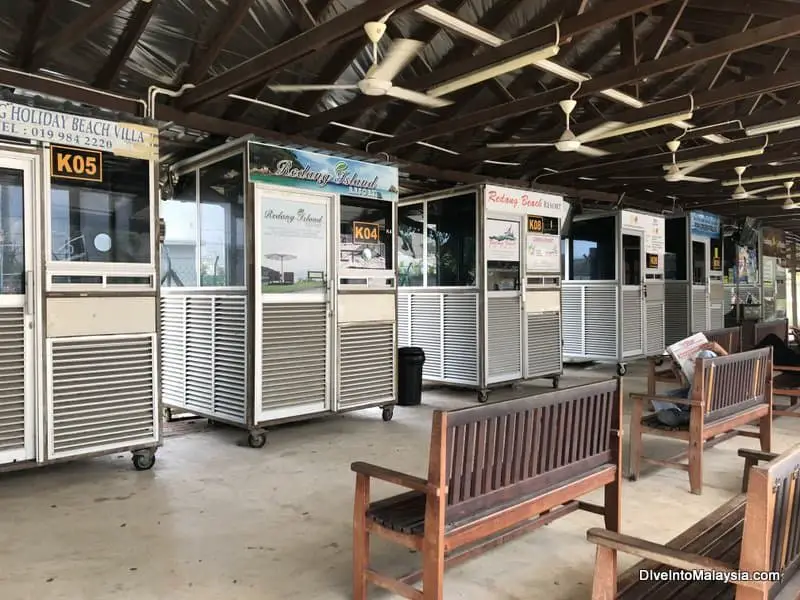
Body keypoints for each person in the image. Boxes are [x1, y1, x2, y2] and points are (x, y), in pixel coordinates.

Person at [652, 341, 728, 427]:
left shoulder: (722, 375)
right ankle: (683, 415)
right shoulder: (697, 375)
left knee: (705, 354)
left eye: (696, 362)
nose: (695, 364)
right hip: (691, 399)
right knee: (659, 398)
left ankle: (682, 416)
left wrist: (721, 351)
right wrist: (676, 370)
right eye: (694, 362)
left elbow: (733, 366)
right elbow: (685, 386)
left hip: (705, 405)